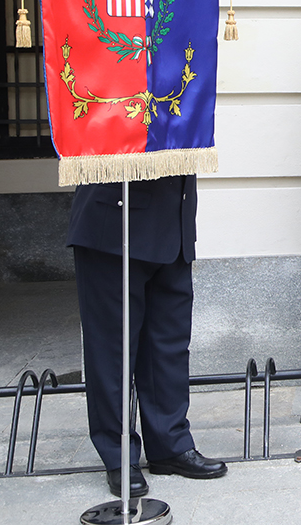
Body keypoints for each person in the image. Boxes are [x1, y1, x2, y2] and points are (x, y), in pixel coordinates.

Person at [67, 175, 227, 498]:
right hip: (114, 223)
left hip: (172, 219)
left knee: (168, 344)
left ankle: (170, 443)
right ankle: (119, 455)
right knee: (112, 350)